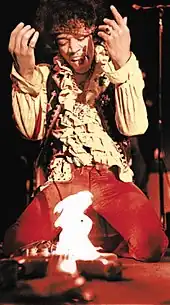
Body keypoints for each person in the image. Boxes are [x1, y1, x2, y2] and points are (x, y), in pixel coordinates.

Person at [3, 0, 168, 261]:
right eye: (63, 40)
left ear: (94, 33)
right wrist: (24, 71)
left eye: (81, 37)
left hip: (110, 177)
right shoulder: (45, 76)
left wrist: (123, 62)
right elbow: (30, 133)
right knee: (19, 244)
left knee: (152, 245)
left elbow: (134, 126)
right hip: (63, 178)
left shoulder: (114, 69)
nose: (73, 49)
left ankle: (104, 251)